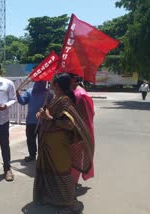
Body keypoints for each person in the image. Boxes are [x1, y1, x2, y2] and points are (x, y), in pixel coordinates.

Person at [34, 73, 94, 214]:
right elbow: (49, 114)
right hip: (48, 144)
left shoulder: (65, 101)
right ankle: (51, 198)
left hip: (59, 146)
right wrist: (42, 113)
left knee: (61, 173)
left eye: (52, 83)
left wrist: (50, 118)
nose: (50, 84)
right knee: (48, 171)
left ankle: (70, 204)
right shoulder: (56, 99)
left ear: (57, 85)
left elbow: (69, 124)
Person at [16, 81, 52, 162]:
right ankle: (32, 155)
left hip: (43, 122)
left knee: (42, 140)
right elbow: (22, 101)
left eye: (42, 81)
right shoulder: (29, 91)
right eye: (38, 80)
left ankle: (42, 156)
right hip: (31, 120)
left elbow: (51, 107)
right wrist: (18, 95)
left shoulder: (48, 93)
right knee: (30, 139)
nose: (40, 82)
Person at [69, 74, 95, 184]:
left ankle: (72, 184)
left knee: (76, 159)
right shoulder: (73, 92)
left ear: (74, 80)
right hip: (72, 131)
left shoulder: (81, 94)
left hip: (78, 133)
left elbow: (85, 116)